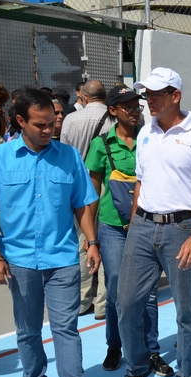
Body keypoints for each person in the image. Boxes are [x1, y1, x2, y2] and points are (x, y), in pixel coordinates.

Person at [0, 88, 102, 377]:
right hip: (18, 261)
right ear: (20, 121)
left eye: (52, 124)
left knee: (66, 326)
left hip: (61, 258)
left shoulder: (69, 157)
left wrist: (91, 242)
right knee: (29, 328)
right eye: (41, 125)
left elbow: (82, 204)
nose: (49, 130)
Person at [116, 67, 191, 377]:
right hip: (144, 227)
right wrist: (134, 224)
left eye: (156, 93)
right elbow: (141, 183)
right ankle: (137, 367)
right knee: (127, 304)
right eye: (146, 93)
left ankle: (187, 376)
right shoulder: (146, 132)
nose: (148, 99)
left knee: (187, 309)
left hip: (182, 229)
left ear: (176, 96)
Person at [84, 85, 170, 377]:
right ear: (113, 111)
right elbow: (92, 191)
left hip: (146, 225)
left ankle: (152, 350)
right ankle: (115, 344)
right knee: (117, 290)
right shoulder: (101, 145)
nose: (135, 111)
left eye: (137, 105)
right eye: (127, 107)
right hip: (112, 227)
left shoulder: (151, 139)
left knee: (146, 293)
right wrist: (91, 238)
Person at [60, 79, 111, 319]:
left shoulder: (71, 119)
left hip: (78, 186)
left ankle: (82, 299)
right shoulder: (113, 117)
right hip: (108, 186)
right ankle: (103, 302)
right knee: (106, 242)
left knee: (83, 242)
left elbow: (64, 153)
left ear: (85, 97)